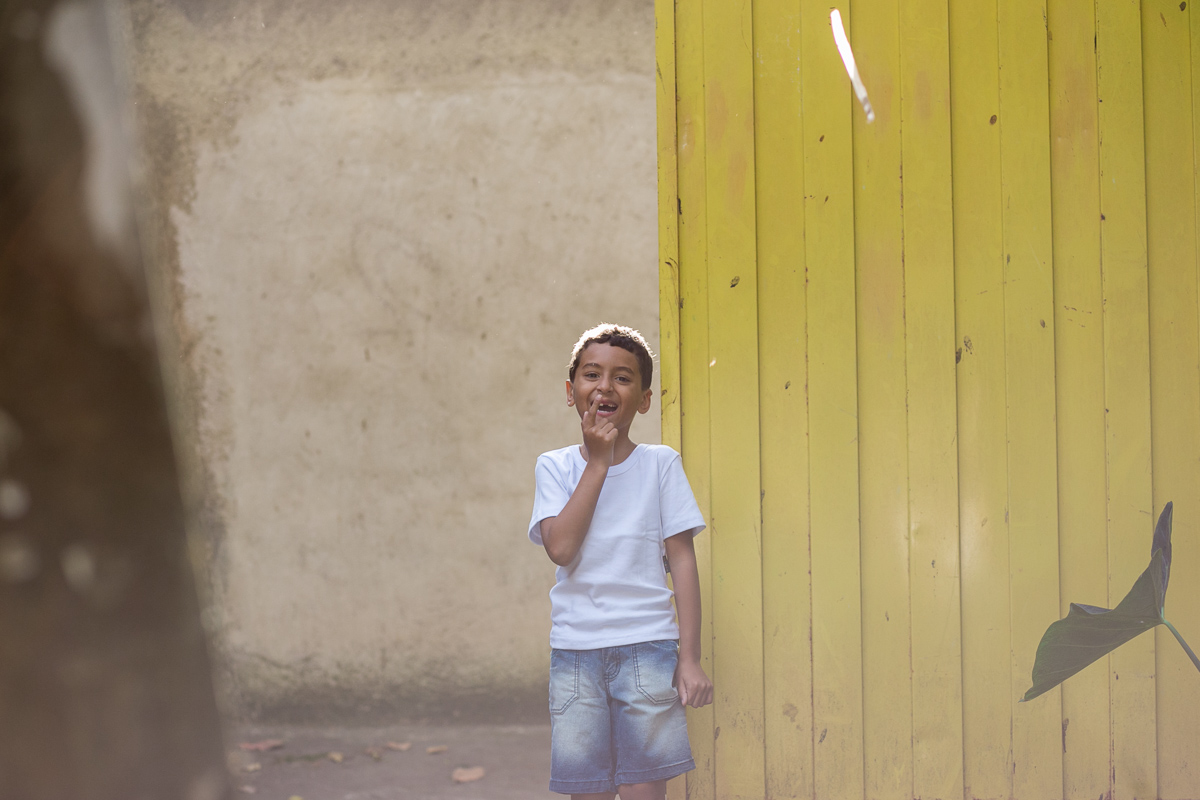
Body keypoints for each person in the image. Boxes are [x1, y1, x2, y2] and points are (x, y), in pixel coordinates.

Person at [528, 323, 713, 800]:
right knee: (586, 792)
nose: (605, 386)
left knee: (644, 792)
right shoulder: (556, 466)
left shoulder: (660, 464)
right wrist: (598, 463)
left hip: (647, 652)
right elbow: (562, 549)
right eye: (592, 374)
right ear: (572, 392)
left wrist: (689, 658)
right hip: (575, 655)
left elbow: (683, 562)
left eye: (623, 377)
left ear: (645, 399)